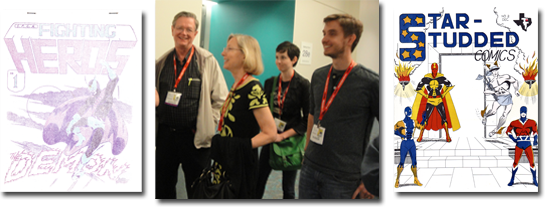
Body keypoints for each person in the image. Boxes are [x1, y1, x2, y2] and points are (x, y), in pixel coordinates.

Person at [301, 14, 379, 199]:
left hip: (343, 178)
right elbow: (313, 113)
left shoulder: (370, 83)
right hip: (310, 170)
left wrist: (372, 176)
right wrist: (307, 151)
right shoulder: (319, 76)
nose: (324, 39)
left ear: (350, 39)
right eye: (324, 33)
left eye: (332, 33)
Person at [153, 11, 228, 199]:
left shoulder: (207, 61)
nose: (184, 33)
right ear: (172, 30)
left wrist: (206, 125)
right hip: (165, 136)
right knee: (163, 185)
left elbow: (221, 100)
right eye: (180, 28)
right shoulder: (160, 63)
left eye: (189, 29)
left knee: (198, 186)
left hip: (194, 138)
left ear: (195, 34)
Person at [209, 34, 278, 198]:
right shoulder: (236, 85)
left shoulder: (253, 88)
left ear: (244, 55)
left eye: (229, 49)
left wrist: (239, 147)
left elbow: (270, 133)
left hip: (240, 165)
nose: (223, 53)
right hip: (228, 161)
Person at [256, 41, 310, 199]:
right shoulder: (270, 83)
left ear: (294, 60)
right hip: (270, 137)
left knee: (288, 187)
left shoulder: (303, 85)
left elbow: (306, 120)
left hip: (291, 140)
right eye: (277, 57)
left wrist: (284, 135)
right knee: (259, 179)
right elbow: (264, 110)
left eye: (283, 57)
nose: (278, 61)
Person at [412, 62, 460, 142]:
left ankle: (448, 136)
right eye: (433, 69)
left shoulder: (441, 78)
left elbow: (449, 85)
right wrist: (425, 95)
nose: (434, 70)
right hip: (430, 100)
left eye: (436, 69)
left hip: (439, 100)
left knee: (444, 118)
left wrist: (443, 94)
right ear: (431, 69)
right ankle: (420, 136)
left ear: (437, 69)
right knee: (425, 118)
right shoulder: (426, 79)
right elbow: (418, 88)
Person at [481, 61, 520, 137]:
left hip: (508, 98)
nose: (495, 72)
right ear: (491, 72)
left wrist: (516, 90)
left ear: (498, 70)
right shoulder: (492, 82)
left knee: (505, 114)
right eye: (493, 71)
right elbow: (485, 91)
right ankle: (485, 116)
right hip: (499, 98)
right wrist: (493, 91)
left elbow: (515, 81)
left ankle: (495, 130)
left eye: (496, 70)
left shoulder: (505, 77)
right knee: (493, 111)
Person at [505, 106, 538, 187]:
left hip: (527, 144)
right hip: (519, 144)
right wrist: (513, 139)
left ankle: (534, 179)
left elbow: (535, 132)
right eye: (522, 111)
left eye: (524, 111)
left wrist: (535, 140)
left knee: (532, 163)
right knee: (515, 162)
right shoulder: (514, 122)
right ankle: (512, 179)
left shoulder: (532, 122)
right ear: (520, 112)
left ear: (526, 112)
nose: (523, 113)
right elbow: (508, 131)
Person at [393, 107, 423, 188]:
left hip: (412, 143)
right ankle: (397, 179)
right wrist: (400, 134)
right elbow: (393, 130)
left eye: (410, 111)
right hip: (405, 143)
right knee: (402, 161)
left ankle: (415, 178)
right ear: (405, 112)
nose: (410, 112)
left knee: (414, 161)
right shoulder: (400, 123)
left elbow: (421, 127)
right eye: (408, 111)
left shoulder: (414, 121)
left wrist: (423, 120)